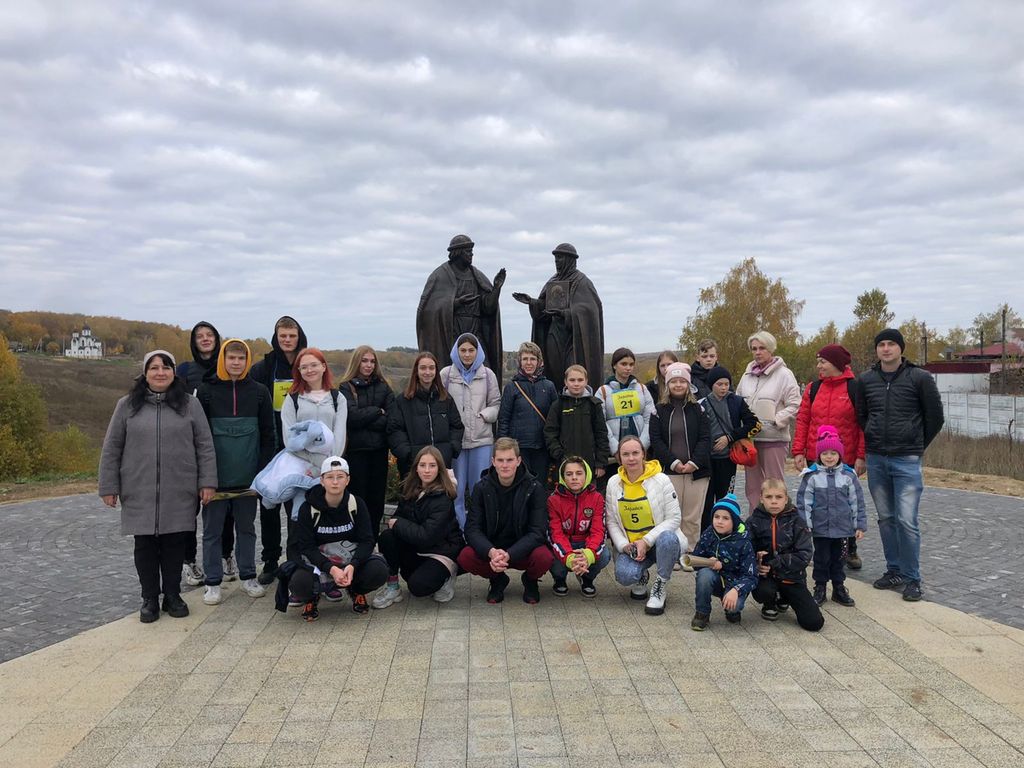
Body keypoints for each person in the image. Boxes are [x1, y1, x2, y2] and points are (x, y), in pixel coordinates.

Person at [99, 350, 217, 623]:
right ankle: (149, 598)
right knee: (145, 546)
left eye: (165, 367)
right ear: (145, 373)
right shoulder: (127, 405)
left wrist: (207, 482)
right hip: (138, 487)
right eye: (154, 368)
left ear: (174, 372)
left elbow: (205, 446)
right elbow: (112, 448)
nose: (160, 372)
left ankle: (173, 596)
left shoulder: (190, 405)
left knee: (175, 544)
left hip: (180, 488)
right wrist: (108, 485)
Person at [855, 329, 944, 603]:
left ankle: (912, 577)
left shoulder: (920, 378)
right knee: (886, 518)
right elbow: (862, 415)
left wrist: (915, 445)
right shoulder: (866, 380)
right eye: (881, 344)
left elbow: (935, 418)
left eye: (891, 344)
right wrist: (872, 436)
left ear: (901, 348)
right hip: (877, 458)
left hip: (907, 460)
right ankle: (894, 570)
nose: (886, 348)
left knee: (906, 520)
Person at [196, 339, 276, 605]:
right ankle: (212, 582)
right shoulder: (206, 392)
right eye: (231, 357)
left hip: (248, 479)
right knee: (212, 532)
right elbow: (200, 438)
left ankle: (248, 576)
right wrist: (203, 478)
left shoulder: (260, 392)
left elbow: (268, 436)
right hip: (214, 479)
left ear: (247, 361)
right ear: (222, 359)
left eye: (241, 359)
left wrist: (261, 476)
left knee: (246, 529)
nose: (236, 363)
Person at [280, 456, 389, 620]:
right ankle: (312, 597)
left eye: (340, 477)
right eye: (330, 477)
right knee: (299, 584)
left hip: (348, 559)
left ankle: (356, 590)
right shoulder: (307, 508)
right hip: (319, 562)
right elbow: (306, 547)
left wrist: (353, 565)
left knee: (379, 571)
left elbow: (367, 540)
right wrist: (330, 568)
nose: (335, 482)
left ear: (348, 480)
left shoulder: (356, 504)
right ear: (322, 481)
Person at [792, 344, 867, 569]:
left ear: (835, 363)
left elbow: (864, 425)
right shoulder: (813, 389)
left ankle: (849, 548)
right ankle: (820, 547)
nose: (819, 366)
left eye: (822, 361)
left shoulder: (855, 388)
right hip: (817, 457)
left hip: (846, 458)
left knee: (845, 503)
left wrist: (862, 455)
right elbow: (803, 420)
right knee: (818, 502)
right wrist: (798, 451)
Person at [457, 438, 553, 605]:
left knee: (544, 557)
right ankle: (497, 580)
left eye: (509, 460)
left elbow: (537, 531)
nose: (505, 465)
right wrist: (492, 552)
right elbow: (472, 529)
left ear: (518, 460)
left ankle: (530, 581)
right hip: (493, 550)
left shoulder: (534, 488)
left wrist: (510, 554)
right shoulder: (481, 488)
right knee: (466, 557)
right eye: (500, 460)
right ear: (493, 461)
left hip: (522, 549)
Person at [250, 315, 307, 585]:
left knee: (297, 507)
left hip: (299, 448)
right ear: (276, 337)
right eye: (283, 335)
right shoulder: (264, 367)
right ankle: (271, 560)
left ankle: (296, 558)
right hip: (272, 446)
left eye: (291, 336)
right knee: (270, 505)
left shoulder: (308, 363)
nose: (287, 340)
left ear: (299, 336)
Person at [372, 447, 464, 608]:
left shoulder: (443, 497)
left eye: (432, 465)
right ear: (416, 468)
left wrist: (400, 524)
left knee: (418, 588)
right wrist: (400, 524)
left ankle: (447, 576)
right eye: (422, 465)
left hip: (440, 551)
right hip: (416, 547)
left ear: (439, 469)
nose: (427, 470)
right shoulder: (411, 489)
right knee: (387, 536)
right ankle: (393, 587)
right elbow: (396, 518)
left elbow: (426, 536)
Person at [605, 436, 685, 616]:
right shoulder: (613, 483)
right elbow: (611, 520)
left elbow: (674, 518)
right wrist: (623, 545)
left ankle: (660, 586)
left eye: (635, 453)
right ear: (619, 457)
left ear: (643, 455)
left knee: (668, 538)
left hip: (660, 544)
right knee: (624, 575)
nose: (631, 458)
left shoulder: (661, 479)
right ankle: (641, 576)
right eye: (626, 454)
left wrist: (647, 541)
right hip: (633, 545)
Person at [417, 233, 506, 387]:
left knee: (486, 372)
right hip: (452, 334)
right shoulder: (441, 275)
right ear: (457, 252)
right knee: (452, 377)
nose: (471, 254)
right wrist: (456, 303)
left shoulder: (476, 275)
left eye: (472, 251)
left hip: (475, 333)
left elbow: (488, 309)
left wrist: (496, 289)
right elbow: (427, 310)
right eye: (468, 251)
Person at [513, 243, 604, 391]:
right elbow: (544, 306)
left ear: (570, 259)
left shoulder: (582, 281)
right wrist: (532, 302)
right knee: (554, 372)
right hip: (554, 335)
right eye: (555, 258)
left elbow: (589, 310)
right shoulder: (553, 280)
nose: (557, 262)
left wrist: (565, 313)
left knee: (573, 370)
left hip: (574, 340)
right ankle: (556, 404)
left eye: (560, 258)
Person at [175, 321, 225, 587]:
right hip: (192, 447)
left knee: (223, 505)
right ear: (194, 342)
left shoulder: (226, 366)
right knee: (189, 508)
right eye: (199, 336)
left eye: (209, 335)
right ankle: (188, 561)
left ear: (217, 339)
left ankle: (226, 555)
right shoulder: (185, 370)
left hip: (222, 444)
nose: (205, 339)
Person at [796, 426, 866, 607]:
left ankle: (838, 587)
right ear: (819, 454)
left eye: (833, 453)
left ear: (840, 454)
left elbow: (857, 501)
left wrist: (859, 525)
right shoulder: (811, 476)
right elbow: (804, 502)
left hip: (843, 530)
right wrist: (806, 525)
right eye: (825, 453)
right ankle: (820, 587)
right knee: (821, 559)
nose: (829, 457)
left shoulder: (848, 476)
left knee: (839, 559)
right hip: (820, 529)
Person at [649, 363, 712, 555]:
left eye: (682, 381)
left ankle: (690, 552)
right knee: (672, 515)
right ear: (668, 385)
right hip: (670, 471)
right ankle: (673, 551)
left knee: (692, 516)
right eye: (674, 381)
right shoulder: (658, 410)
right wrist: (674, 462)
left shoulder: (699, 409)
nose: (678, 385)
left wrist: (693, 463)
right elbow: (656, 441)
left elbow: (705, 438)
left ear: (688, 384)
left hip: (697, 471)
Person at [735, 330, 801, 511]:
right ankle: (756, 524)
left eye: (762, 348)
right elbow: (738, 400)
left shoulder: (784, 374)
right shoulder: (746, 375)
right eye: (754, 348)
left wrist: (776, 420)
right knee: (753, 487)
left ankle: (779, 524)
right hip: (751, 441)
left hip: (774, 439)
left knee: (774, 486)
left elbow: (795, 404)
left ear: (770, 349)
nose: (757, 352)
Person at [440, 333, 500, 528]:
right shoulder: (446, 374)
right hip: (456, 442)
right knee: (455, 489)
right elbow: (440, 404)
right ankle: (459, 531)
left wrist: (484, 416)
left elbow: (496, 403)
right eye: (463, 350)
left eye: (471, 350)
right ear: (456, 351)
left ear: (478, 351)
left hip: (481, 440)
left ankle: (477, 530)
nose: (467, 355)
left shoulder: (487, 375)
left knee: (479, 489)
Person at [747, 479, 824, 631]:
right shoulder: (753, 521)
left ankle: (785, 597)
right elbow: (745, 550)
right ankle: (770, 602)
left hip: (792, 577)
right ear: (761, 498)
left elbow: (805, 555)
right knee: (763, 592)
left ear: (786, 498)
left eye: (778, 497)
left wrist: (775, 562)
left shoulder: (797, 521)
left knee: (814, 623)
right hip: (766, 577)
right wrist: (757, 563)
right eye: (769, 497)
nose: (774, 501)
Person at [338, 345, 395, 540]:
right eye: (364, 361)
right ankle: (356, 539)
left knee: (376, 499)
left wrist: (368, 418)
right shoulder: (345, 387)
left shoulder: (384, 386)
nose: (369, 365)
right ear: (357, 362)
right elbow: (351, 417)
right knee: (357, 499)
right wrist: (377, 411)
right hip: (356, 452)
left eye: (372, 361)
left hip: (378, 451)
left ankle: (372, 541)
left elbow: (391, 418)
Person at [698, 365, 760, 530]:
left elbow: (754, 423)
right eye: (720, 384)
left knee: (725, 500)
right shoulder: (701, 404)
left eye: (726, 384)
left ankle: (727, 532)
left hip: (727, 459)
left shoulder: (737, 402)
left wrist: (730, 437)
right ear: (712, 385)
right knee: (706, 501)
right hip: (707, 461)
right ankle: (707, 534)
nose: (724, 387)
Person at [388, 351, 465, 480]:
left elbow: (456, 426)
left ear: (436, 371)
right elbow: (395, 430)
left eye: (431, 368)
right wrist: (408, 454)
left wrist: (449, 450)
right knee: (413, 499)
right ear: (416, 371)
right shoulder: (403, 400)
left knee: (440, 499)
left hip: (441, 464)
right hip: (412, 466)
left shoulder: (445, 399)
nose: (427, 372)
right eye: (423, 368)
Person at [690, 494, 757, 630]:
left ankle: (732, 609)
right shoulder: (708, 534)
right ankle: (702, 613)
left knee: (734, 606)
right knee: (704, 575)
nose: (719, 521)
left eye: (725, 518)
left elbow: (751, 576)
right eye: (716, 517)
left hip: (735, 582)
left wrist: (736, 590)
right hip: (714, 578)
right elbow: (695, 559)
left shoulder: (743, 542)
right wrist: (706, 562)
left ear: (735, 521)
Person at [547, 457, 609, 598]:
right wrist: (569, 557)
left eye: (579, 473)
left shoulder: (597, 498)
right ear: (563, 477)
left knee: (604, 555)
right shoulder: (553, 500)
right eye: (569, 474)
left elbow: (599, 531)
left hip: (585, 544)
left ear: (586, 475)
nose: (574, 478)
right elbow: (555, 534)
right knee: (549, 553)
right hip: (564, 543)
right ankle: (559, 579)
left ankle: (587, 579)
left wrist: (588, 554)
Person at [497, 342, 558, 484]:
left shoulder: (549, 386)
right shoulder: (512, 387)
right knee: (520, 485)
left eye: (532, 359)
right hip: (519, 447)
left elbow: (555, 418)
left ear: (539, 362)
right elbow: (504, 418)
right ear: (520, 361)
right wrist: (503, 446)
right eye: (525, 359)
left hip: (542, 446)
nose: (529, 363)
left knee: (540, 485)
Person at [596, 347, 656, 481]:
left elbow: (649, 418)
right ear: (614, 365)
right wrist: (615, 449)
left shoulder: (642, 388)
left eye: (631, 364)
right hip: (615, 452)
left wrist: (642, 446)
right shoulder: (603, 391)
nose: (628, 368)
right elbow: (600, 422)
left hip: (640, 446)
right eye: (624, 364)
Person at [544, 364, 610, 479]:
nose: (576, 383)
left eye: (580, 380)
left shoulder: (594, 405)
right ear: (565, 382)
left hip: (589, 463)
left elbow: (601, 435)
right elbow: (550, 432)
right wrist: (558, 454)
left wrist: (601, 462)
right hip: (565, 464)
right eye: (572, 380)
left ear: (586, 381)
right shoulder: (558, 405)